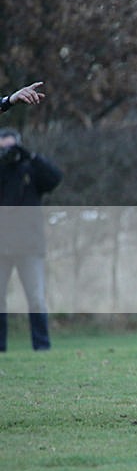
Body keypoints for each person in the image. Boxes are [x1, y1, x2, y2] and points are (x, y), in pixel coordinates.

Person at [0, 127, 63, 352]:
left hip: (30, 246)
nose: (7, 152)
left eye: (11, 147)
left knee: (36, 298)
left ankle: (42, 347)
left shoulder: (31, 169)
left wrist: (32, 157)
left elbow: (55, 178)